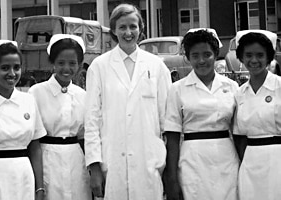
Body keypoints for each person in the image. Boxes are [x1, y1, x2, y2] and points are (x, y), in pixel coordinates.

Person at [84, 3, 172, 200]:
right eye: (122, 27)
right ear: (114, 30)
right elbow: (91, 120)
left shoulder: (156, 66)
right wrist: (94, 166)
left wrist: (167, 164)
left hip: (149, 161)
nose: (128, 32)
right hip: (112, 161)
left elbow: (167, 119)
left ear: (141, 29)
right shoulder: (99, 67)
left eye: (133, 26)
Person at [164, 28, 239, 200]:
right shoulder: (177, 89)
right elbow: (173, 136)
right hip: (192, 159)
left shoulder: (232, 87)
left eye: (207, 54)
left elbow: (238, 131)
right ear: (188, 58)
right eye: (195, 56)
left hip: (226, 158)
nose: (201, 60)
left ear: (216, 54)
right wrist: (172, 177)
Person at [28, 34, 92, 200]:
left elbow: (86, 136)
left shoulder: (83, 95)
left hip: (76, 161)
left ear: (79, 65)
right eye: (61, 63)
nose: (66, 68)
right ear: (53, 63)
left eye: (72, 64)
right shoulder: (36, 92)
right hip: (47, 158)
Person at [0, 40, 46, 200]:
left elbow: (35, 146)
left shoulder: (28, 100)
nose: (12, 73)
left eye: (16, 67)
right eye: (5, 68)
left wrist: (39, 187)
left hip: (22, 176)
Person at [233, 31, 281, 200]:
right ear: (241, 57)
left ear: (269, 57)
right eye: (249, 55)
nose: (254, 60)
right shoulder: (240, 93)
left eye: (260, 55)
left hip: (277, 159)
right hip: (250, 161)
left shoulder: (279, 86)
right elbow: (240, 136)